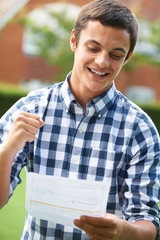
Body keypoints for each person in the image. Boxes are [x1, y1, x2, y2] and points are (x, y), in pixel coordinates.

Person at [0, 0, 159, 239]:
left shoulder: (140, 129)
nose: (102, 62)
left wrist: (126, 232)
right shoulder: (30, 109)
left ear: (127, 57)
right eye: (93, 48)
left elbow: (148, 222)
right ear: (74, 41)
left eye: (116, 54)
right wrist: (8, 148)